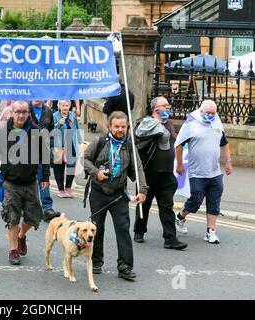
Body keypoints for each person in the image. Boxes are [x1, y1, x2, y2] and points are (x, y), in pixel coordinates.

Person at [84, 111, 147, 279]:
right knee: (97, 228)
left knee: (123, 229)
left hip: (119, 195)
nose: (120, 129)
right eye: (117, 126)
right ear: (110, 126)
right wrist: (96, 172)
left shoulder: (129, 145)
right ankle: (96, 261)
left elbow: (139, 168)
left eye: (123, 126)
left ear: (127, 127)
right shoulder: (99, 142)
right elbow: (86, 160)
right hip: (98, 193)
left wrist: (142, 190)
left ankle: (124, 266)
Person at [0, 100, 50, 265]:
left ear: (28, 113)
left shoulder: (35, 132)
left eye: (24, 112)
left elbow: (45, 156)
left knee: (34, 216)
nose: (21, 115)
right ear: (11, 113)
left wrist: (44, 177)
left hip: (30, 182)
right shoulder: (2, 133)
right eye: (18, 112)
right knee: (12, 217)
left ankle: (22, 235)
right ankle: (13, 250)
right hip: (10, 183)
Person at [132, 97, 188, 250]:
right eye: (165, 106)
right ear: (156, 109)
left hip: (166, 174)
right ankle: (139, 230)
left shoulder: (169, 124)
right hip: (149, 173)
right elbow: (138, 136)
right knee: (144, 203)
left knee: (167, 207)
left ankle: (170, 238)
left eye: (168, 106)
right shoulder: (146, 123)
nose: (168, 108)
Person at [175, 100, 233, 244]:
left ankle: (210, 231)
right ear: (201, 112)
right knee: (196, 200)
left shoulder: (217, 123)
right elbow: (179, 144)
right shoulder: (191, 124)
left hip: (215, 172)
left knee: (214, 202)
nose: (211, 115)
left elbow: (224, 143)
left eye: (214, 113)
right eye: (208, 113)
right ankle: (180, 217)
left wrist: (228, 161)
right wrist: (180, 165)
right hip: (197, 172)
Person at [29, 99, 60, 222]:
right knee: (28, 179)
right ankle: (27, 207)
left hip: (44, 151)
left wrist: (52, 147)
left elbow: (51, 131)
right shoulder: (25, 109)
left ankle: (47, 208)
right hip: (26, 151)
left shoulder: (48, 111)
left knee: (44, 177)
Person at [52, 100, 83, 198]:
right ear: (59, 106)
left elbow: (77, 128)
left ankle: (68, 188)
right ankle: (61, 190)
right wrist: (58, 124)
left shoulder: (72, 115)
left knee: (71, 167)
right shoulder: (55, 116)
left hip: (71, 143)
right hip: (59, 145)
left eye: (67, 105)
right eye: (63, 105)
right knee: (59, 168)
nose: (65, 107)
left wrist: (79, 141)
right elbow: (51, 130)